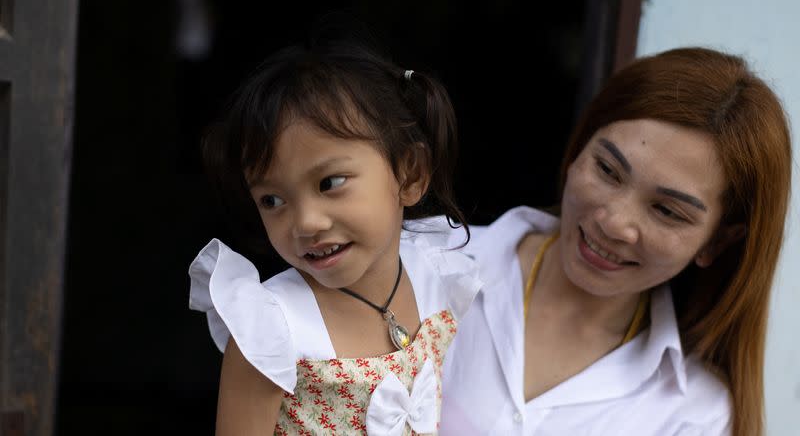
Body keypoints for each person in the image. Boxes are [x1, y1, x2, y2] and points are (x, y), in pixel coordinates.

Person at [439, 47, 792, 436]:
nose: (614, 223)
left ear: (717, 243)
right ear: (579, 148)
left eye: (668, 211)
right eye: (607, 169)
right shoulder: (425, 266)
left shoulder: (696, 413)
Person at [188, 25, 480, 436]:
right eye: (272, 200)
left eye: (329, 183)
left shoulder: (437, 276)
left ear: (411, 174)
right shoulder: (272, 329)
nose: (306, 222)